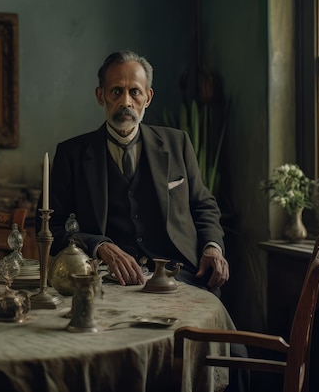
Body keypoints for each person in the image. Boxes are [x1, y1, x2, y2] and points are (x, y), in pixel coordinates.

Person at [43, 50, 248, 391]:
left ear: (148, 97)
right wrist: (99, 246)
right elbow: (49, 226)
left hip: (181, 278)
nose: (126, 101)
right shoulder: (73, 154)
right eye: (116, 91)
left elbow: (204, 206)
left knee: (234, 358)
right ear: (100, 96)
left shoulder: (177, 143)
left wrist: (212, 246)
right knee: (116, 365)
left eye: (134, 92)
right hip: (108, 286)